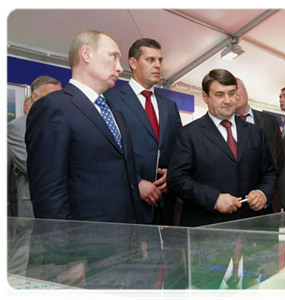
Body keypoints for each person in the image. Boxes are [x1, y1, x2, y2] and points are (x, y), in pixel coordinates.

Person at [26, 30, 143, 223]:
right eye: (113, 56)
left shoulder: (115, 114)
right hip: (85, 243)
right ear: (86, 54)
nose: (119, 68)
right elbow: (49, 194)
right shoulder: (52, 108)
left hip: (127, 237)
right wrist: (63, 251)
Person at [167, 69, 278, 226]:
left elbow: (270, 174)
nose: (227, 100)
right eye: (220, 95)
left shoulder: (255, 132)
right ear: (205, 97)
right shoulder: (188, 134)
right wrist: (214, 199)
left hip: (252, 227)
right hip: (208, 228)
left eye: (231, 93)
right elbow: (176, 179)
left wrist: (263, 193)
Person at [106, 38, 182, 225]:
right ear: (133, 63)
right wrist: (136, 182)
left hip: (166, 202)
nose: (158, 65)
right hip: (129, 201)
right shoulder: (111, 100)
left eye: (160, 60)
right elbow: (107, 152)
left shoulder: (169, 106)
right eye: (150, 60)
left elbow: (180, 147)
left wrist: (172, 172)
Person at [6, 77, 62, 218]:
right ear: (35, 97)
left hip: (63, 204)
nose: (58, 101)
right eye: (51, 96)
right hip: (33, 206)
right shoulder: (17, 127)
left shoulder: (62, 125)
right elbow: (31, 166)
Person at [235, 78, 284, 213]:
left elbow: (279, 158)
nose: (235, 94)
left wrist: (265, 189)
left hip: (267, 197)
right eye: (230, 91)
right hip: (237, 201)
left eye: (237, 89)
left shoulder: (269, 121)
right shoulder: (226, 126)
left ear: (246, 91)